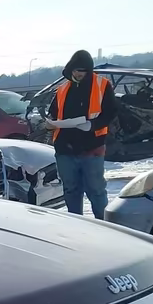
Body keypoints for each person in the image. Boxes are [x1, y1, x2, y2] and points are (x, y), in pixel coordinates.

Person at [45, 50, 119, 219]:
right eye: (76, 70)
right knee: (71, 189)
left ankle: (104, 226)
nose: (79, 74)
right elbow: (53, 114)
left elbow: (111, 112)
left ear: (89, 70)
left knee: (96, 190)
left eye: (83, 70)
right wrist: (50, 123)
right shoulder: (62, 89)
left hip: (92, 147)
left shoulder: (102, 85)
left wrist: (92, 125)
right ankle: (75, 225)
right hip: (65, 148)